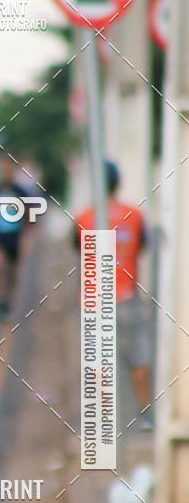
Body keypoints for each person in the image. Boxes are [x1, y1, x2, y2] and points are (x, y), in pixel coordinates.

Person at [73, 161, 152, 429]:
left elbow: (79, 249)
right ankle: (145, 414)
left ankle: (103, 418)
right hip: (127, 295)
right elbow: (141, 247)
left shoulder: (84, 217)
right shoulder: (135, 215)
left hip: (94, 299)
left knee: (98, 361)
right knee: (138, 357)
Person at [0, 153, 30, 320]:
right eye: (2, 170)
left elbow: (28, 216)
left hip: (14, 236)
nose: (5, 173)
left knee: (12, 271)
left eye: (8, 170)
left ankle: (8, 300)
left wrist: (25, 238)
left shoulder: (20, 192)